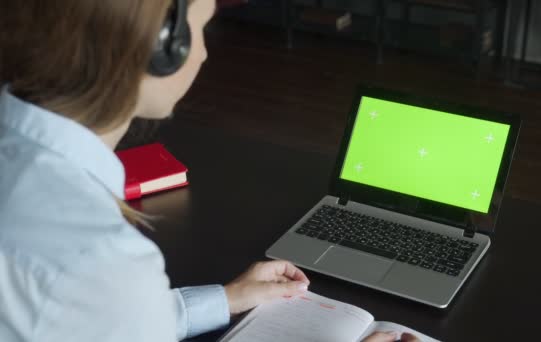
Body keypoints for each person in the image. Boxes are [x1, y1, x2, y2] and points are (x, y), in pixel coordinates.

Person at [0, 1, 420, 341]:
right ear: (162, 45)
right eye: (202, 27)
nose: (202, 52)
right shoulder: (100, 259)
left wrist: (226, 299)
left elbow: (91, 321)